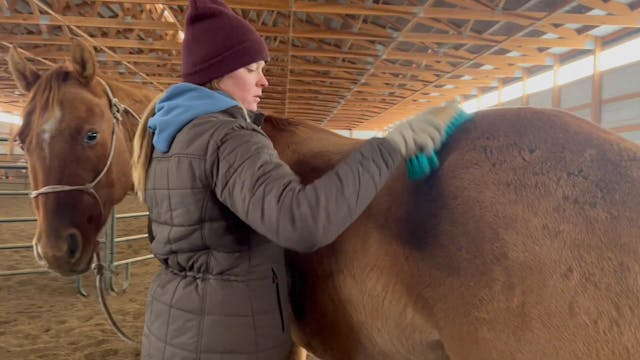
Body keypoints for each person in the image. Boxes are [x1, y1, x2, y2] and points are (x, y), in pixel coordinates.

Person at [132, 0, 451, 359]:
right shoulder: (229, 138)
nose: (263, 80)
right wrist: (390, 147)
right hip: (229, 344)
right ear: (218, 73)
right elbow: (302, 222)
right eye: (251, 69)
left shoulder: (167, 138)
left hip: (172, 334)